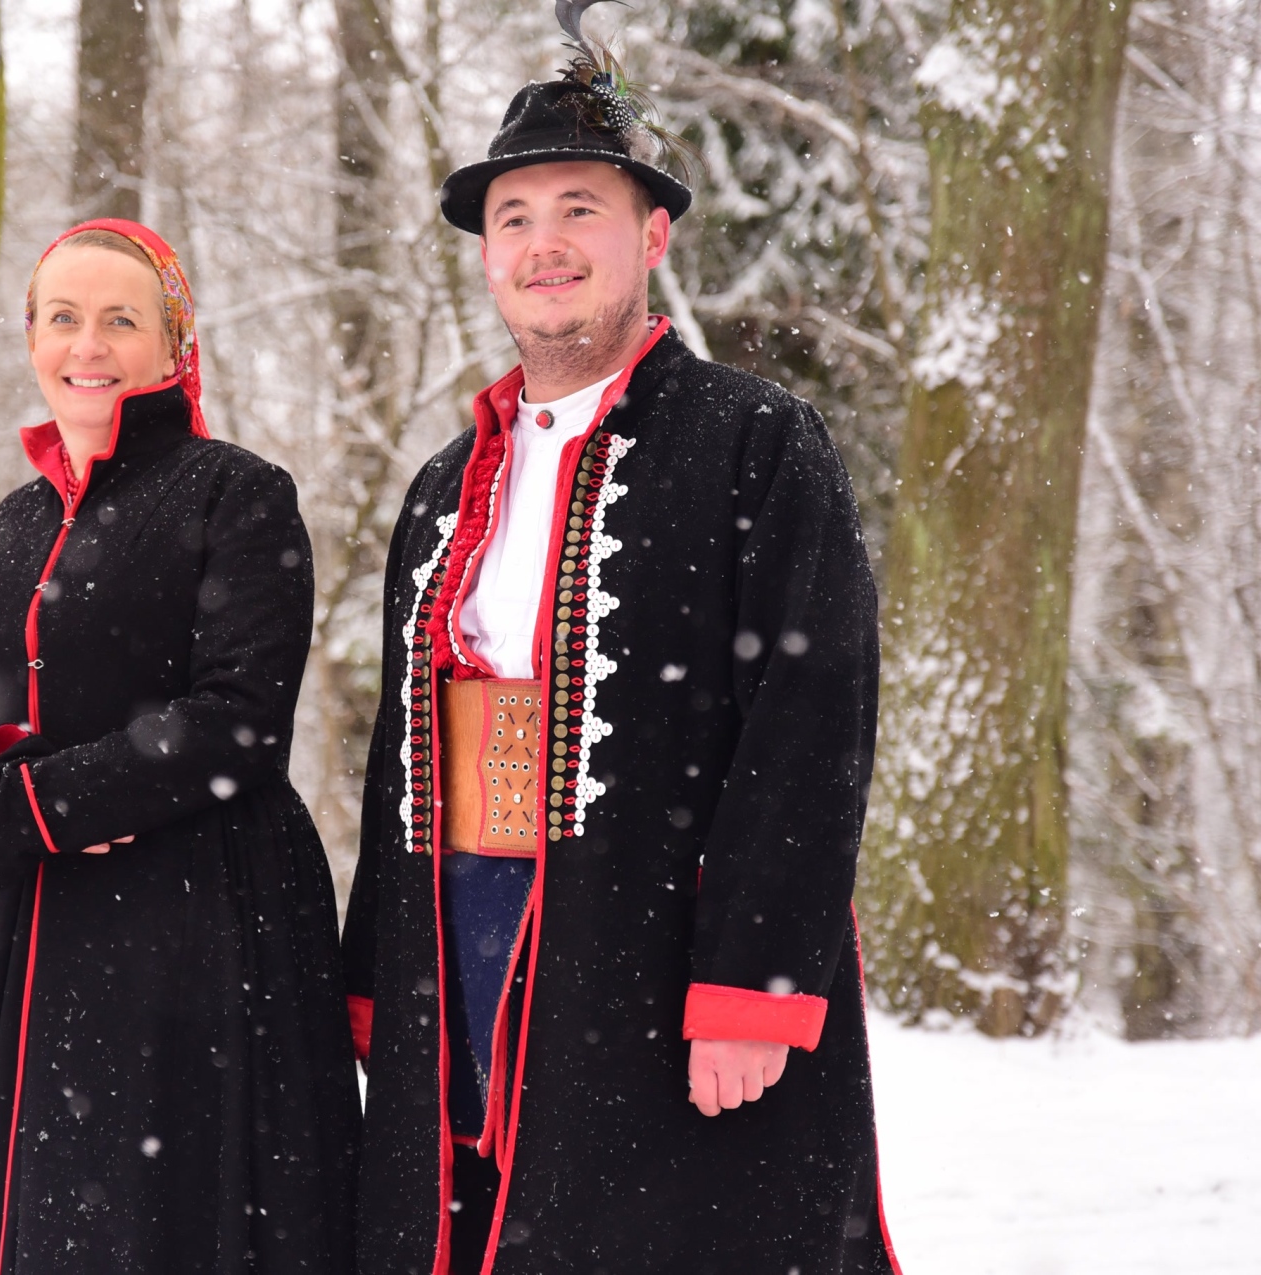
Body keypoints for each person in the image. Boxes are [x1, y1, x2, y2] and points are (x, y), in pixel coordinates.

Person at [340, 12, 902, 1274]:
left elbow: (811, 723)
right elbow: (398, 751)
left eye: (579, 210)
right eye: (514, 218)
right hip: (460, 926)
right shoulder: (441, 484)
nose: (544, 245)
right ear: (487, 255)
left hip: (651, 938)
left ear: (652, 236)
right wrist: (378, 974)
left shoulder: (755, 441)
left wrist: (754, 983)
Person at [0, 218, 359, 1275]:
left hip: (191, 928)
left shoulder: (235, 494)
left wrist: (53, 802)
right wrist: (0, 807)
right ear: (30, 338)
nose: (87, 345)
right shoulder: (3, 533)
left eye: (119, 320)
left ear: (172, 342)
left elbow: (239, 717)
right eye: (62, 318)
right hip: (10, 945)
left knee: (156, 1220)